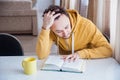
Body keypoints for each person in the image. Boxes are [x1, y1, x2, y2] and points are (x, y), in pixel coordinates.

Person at [36, 5, 112, 61]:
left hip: (88, 62)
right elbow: (41, 55)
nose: (65, 33)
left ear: (69, 18)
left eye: (66, 27)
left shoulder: (87, 26)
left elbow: (107, 50)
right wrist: (45, 28)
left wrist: (80, 54)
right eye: (59, 31)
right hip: (66, 63)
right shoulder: (50, 29)